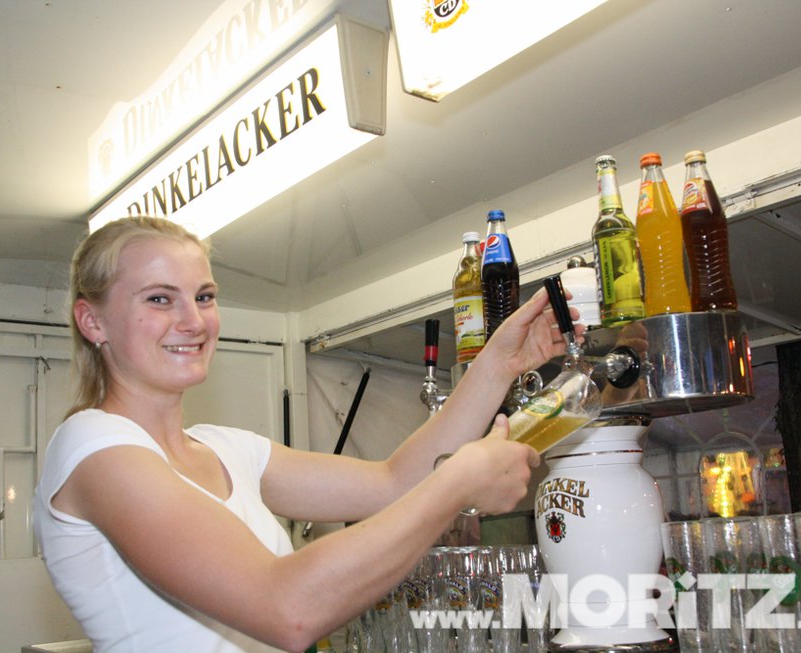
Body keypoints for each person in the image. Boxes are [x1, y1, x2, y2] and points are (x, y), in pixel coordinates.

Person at [33, 216, 582, 653]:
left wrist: (496, 365)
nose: (194, 321)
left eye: (203, 296)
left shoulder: (226, 449)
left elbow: (394, 483)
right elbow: (286, 609)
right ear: (93, 321)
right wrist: (459, 483)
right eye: (159, 298)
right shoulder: (94, 449)